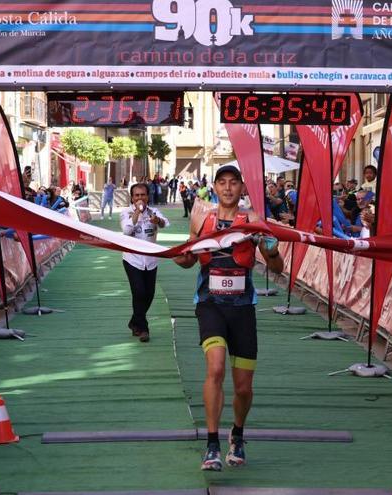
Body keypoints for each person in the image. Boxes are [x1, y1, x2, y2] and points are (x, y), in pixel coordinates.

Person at [174, 165, 284, 471]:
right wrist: (178, 255)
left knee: (243, 388)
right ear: (215, 187)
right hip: (209, 304)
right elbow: (188, 260)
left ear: (241, 188)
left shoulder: (254, 222)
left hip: (243, 308)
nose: (227, 188)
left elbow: (278, 270)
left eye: (233, 183)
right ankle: (212, 444)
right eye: (221, 183)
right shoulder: (202, 218)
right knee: (216, 367)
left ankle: (237, 434)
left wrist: (271, 250)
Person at [120, 183, 169, 343]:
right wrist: (137, 212)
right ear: (132, 198)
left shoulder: (153, 212)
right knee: (139, 292)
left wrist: (157, 220)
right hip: (132, 259)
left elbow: (165, 223)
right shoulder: (126, 212)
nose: (140, 198)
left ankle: (134, 321)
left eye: (143, 195)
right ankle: (143, 328)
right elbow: (126, 230)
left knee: (149, 294)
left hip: (151, 260)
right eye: (136, 195)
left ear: (148, 196)